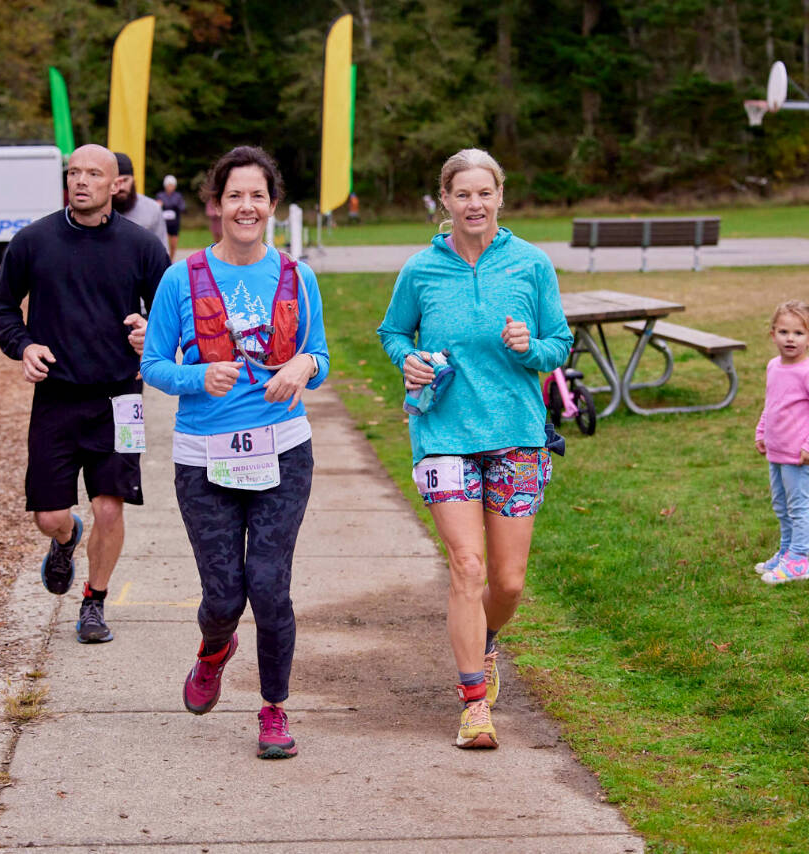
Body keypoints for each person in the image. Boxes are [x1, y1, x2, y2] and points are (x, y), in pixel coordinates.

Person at [377, 148, 572, 750]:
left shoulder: (531, 264)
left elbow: (559, 344)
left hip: (516, 432)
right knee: (468, 567)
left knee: (507, 583)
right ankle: (471, 704)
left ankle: (486, 640)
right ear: (445, 201)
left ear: (500, 196)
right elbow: (392, 331)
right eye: (462, 194)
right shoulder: (421, 269)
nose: (474, 204)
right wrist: (404, 360)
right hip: (443, 433)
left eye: (484, 193)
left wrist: (528, 347)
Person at [141, 146, 330, 760]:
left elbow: (320, 357)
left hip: (282, 452)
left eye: (257, 196)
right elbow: (154, 366)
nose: (245, 207)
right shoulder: (181, 278)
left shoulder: (298, 277)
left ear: (272, 206)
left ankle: (273, 709)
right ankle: (215, 648)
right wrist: (201, 378)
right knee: (225, 596)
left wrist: (301, 364)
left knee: (270, 586)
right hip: (205, 458)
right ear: (216, 206)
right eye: (234, 196)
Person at [0, 144, 170, 645]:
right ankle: (66, 537)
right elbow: (3, 309)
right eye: (73, 173)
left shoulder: (142, 247)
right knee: (47, 515)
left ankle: (94, 601)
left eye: (94, 173)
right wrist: (23, 346)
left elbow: (175, 319)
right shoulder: (33, 241)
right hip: (56, 397)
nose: (81, 181)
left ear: (117, 185)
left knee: (110, 507)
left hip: (120, 398)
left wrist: (149, 333)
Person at [754, 300, 809, 585]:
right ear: (773, 334)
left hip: (799, 456)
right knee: (781, 506)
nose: (790, 338)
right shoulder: (773, 367)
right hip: (776, 452)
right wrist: (761, 432)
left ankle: (800, 561)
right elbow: (772, 404)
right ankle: (787, 552)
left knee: (798, 508)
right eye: (784, 332)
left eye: (799, 333)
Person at [112, 152, 169, 255]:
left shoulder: (152, 209)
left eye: (125, 180)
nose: (121, 187)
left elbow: (162, 253)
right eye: (116, 182)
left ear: (133, 179)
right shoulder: (97, 210)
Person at [156, 174, 186, 258]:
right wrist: (160, 205)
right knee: (164, 245)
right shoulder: (160, 195)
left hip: (174, 224)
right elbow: (156, 207)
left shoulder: (178, 196)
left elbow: (182, 207)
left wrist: (175, 205)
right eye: (168, 185)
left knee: (173, 245)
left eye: (172, 185)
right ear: (165, 186)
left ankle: (171, 260)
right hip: (164, 224)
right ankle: (164, 259)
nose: (170, 187)